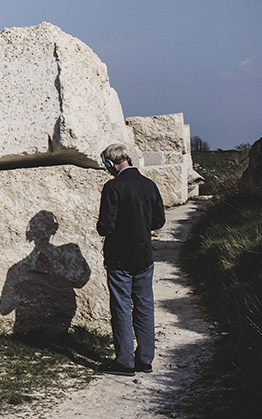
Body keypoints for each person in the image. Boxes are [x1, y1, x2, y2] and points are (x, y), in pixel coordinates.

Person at [97, 143, 166, 376]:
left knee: (122, 308)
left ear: (110, 164)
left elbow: (105, 226)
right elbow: (159, 221)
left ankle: (125, 361)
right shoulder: (149, 185)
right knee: (145, 306)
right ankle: (145, 359)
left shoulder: (112, 187)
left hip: (119, 258)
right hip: (144, 255)